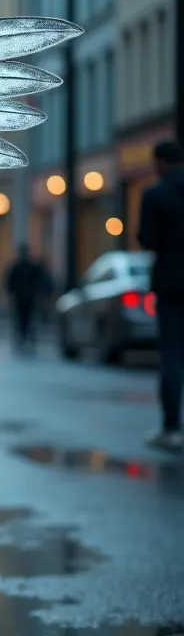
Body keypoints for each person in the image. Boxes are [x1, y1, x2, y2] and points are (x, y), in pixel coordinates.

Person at [138, 139, 184, 451]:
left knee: (172, 355)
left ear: (160, 163)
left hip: (170, 284)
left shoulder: (155, 195)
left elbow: (147, 239)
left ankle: (171, 427)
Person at [4, 243, 52, 350]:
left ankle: (24, 336)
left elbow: (9, 281)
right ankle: (26, 336)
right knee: (28, 317)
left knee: (21, 317)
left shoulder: (17, 266)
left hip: (21, 296)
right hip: (28, 296)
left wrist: (11, 292)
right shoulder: (31, 266)